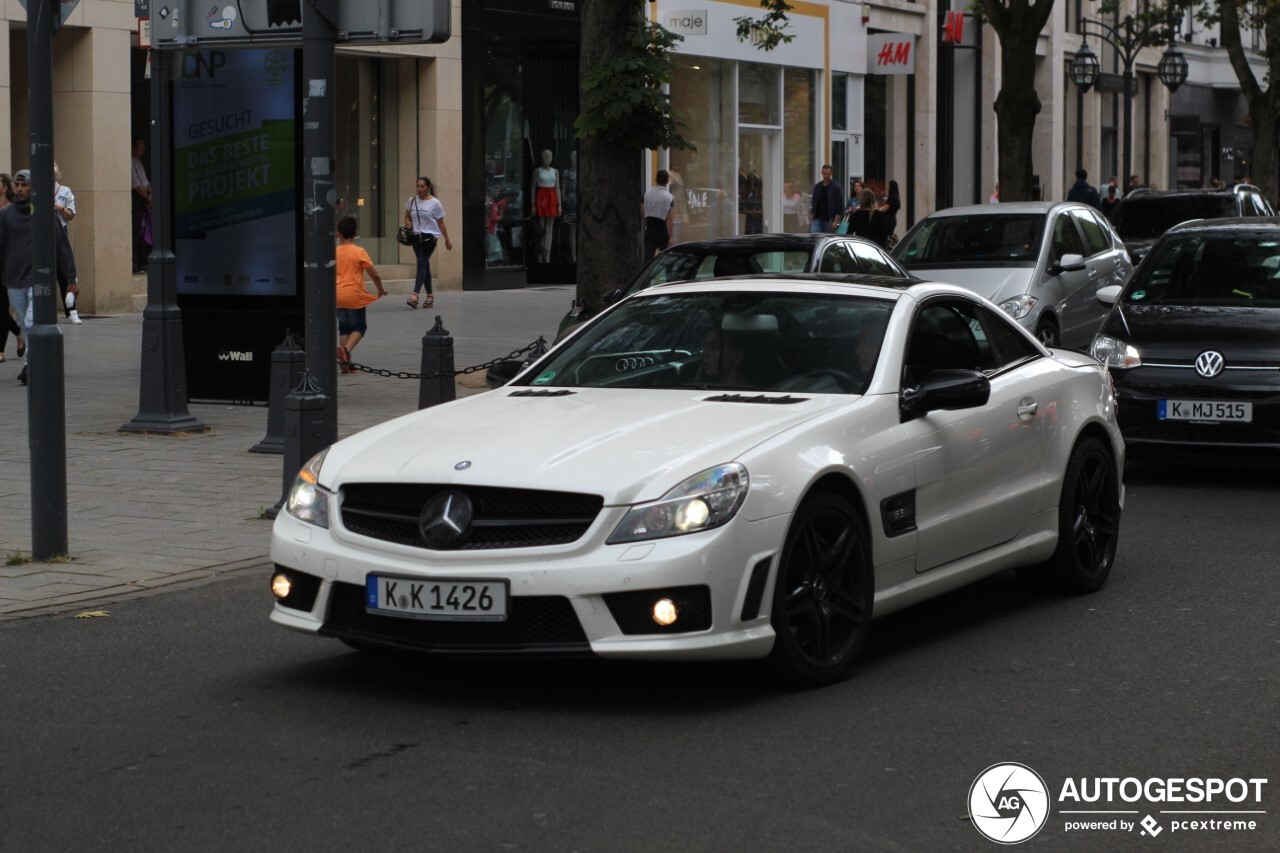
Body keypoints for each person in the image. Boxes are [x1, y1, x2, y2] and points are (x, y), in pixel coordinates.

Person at [0, 169, 79, 385]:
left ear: (34, 187)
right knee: (23, 323)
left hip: (38, 279)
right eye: (18, 184)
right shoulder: (6, 215)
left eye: (25, 185)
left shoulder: (45, 213)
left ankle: (30, 365)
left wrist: (71, 279)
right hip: (14, 280)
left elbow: (62, 246)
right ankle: (33, 360)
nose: (20, 188)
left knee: (30, 320)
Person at [334, 215, 385, 373]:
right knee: (359, 326)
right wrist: (380, 290)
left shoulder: (334, 251)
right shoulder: (359, 252)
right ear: (355, 233)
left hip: (338, 294)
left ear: (338, 234)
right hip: (354, 294)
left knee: (344, 328)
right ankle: (346, 350)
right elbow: (374, 274)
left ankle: (345, 364)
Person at [403, 176, 451, 309]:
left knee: (421, 262)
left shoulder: (435, 203)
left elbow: (440, 223)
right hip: (416, 237)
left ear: (428, 188)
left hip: (430, 237)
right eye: (418, 186)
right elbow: (407, 216)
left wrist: (447, 239)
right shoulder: (412, 201)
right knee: (425, 265)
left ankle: (415, 295)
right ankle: (430, 296)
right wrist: (407, 222)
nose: (419, 189)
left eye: (422, 186)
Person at [52, 162, 80, 324]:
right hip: (42, 235)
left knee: (65, 272)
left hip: (61, 234)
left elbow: (71, 215)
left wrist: (60, 208)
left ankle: (71, 311)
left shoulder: (64, 191)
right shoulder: (37, 191)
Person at [0, 174, 21, 362]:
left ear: (4, 188)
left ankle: (0, 350)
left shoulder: (12, 211)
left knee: (2, 307)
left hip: (8, 265)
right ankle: (19, 332)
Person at [532, 149, 560, 263]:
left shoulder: (555, 171)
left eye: (549, 156)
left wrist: (560, 205)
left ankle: (547, 256)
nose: (547, 158)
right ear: (542, 157)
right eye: (545, 156)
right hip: (541, 197)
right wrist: (532, 205)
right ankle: (540, 255)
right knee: (541, 229)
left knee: (549, 229)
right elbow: (532, 189)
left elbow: (558, 188)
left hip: (551, 197)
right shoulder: (537, 171)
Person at [642, 169, 676, 259]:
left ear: (656, 179)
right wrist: (671, 237)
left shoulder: (646, 194)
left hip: (650, 229)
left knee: (647, 260)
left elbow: (642, 212)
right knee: (667, 259)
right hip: (662, 231)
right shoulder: (669, 197)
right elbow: (669, 219)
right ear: (667, 181)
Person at [131, 136, 151, 274]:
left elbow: (146, 182)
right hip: (137, 200)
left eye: (144, 146)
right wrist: (148, 197)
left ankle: (141, 262)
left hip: (145, 200)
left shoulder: (140, 163)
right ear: (132, 147)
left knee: (144, 233)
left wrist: (151, 196)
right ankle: (135, 264)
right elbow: (136, 184)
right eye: (140, 146)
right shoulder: (130, 162)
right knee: (136, 232)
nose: (143, 149)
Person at [810, 164, 844, 234]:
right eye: (824, 174)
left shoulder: (836, 187)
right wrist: (812, 218)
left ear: (831, 173)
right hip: (817, 219)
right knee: (814, 236)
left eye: (828, 174)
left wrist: (835, 221)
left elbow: (840, 205)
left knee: (827, 239)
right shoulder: (817, 187)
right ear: (821, 173)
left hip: (829, 220)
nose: (826, 176)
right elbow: (814, 202)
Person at [561, 151, 579, 261]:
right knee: (572, 229)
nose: (575, 159)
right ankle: (573, 255)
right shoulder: (567, 172)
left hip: (580, 200)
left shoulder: (582, 170)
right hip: (571, 200)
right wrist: (563, 199)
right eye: (573, 157)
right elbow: (563, 188)